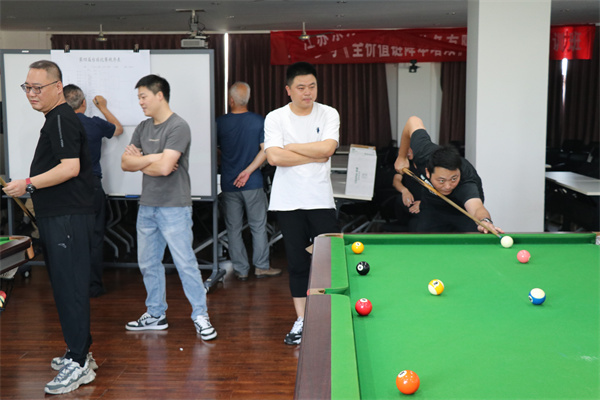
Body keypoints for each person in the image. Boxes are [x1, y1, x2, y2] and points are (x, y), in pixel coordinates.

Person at [3, 60, 97, 394]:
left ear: (58, 87)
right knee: (65, 285)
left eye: (38, 87)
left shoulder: (61, 119)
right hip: (61, 216)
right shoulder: (56, 119)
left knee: (70, 287)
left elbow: (70, 168)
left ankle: (79, 362)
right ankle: (79, 351)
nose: (31, 93)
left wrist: (27, 184)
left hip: (67, 217)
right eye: (27, 87)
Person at [121, 74, 217, 341]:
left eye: (143, 97)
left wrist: (143, 161)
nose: (140, 102)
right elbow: (125, 164)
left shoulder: (178, 126)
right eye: (139, 97)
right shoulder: (142, 127)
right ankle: (155, 314)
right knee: (148, 263)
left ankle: (200, 315)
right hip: (147, 206)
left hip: (175, 206)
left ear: (159, 95)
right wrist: (154, 158)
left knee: (185, 263)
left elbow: (165, 169)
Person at [264, 62, 340, 345]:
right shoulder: (275, 117)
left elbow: (328, 149)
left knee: (328, 262)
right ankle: (302, 319)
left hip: (320, 199)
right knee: (297, 263)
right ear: (288, 90)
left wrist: (292, 147)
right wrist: (314, 153)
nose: (307, 92)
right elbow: (274, 157)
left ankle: (330, 316)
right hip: (288, 201)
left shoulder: (329, 113)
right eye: (301, 87)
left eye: (312, 86)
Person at [394, 116, 504, 234]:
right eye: (441, 180)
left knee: (470, 242)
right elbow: (413, 121)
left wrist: (485, 221)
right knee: (425, 242)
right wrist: (402, 156)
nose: (448, 186)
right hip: (432, 208)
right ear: (428, 172)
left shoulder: (466, 182)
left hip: (461, 212)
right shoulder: (423, 152)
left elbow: (476, 207)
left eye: (453, 179)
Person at [216, 82, 281, 281]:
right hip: (252, 182)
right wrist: (248, 171)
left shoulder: (220, 123)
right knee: (258, 226)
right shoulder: (259, 121)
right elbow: (265, 150)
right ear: (248, 99)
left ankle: (241, 270)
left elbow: (214, 150)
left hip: (229, 183)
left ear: (231, 100)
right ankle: (261, 267)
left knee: (233, 229)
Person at [63, 84, 124, 297]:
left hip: (67, 188)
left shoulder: (59, 125)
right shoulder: (95, 123)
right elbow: (118, 129)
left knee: (70, 237)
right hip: (92, 186)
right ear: (84, 103)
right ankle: (94, 287)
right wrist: (103, 107)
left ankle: (72, 286)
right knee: (95, 238)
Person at [390, 148, 423, 231]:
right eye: (406, 149)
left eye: (411, 149)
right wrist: (404, 191)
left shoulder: (429, 166)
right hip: (409, 204)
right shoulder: (404, 165)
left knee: (414, 223)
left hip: (426, 205)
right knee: (399, 199)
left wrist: (424, 203)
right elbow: (396, 181)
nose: (408, 152)